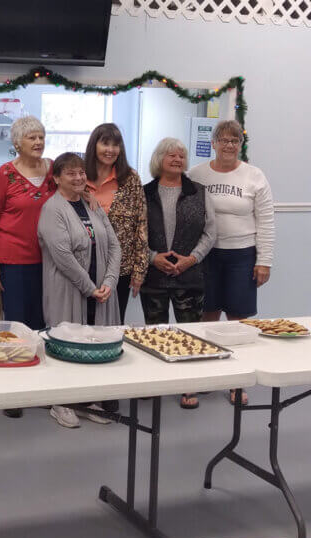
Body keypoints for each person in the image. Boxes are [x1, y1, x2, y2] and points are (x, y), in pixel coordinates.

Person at [189, 120, 275, 406]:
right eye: (223, 140)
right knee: (207, 317)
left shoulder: (254, 176)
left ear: (240, 145)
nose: (228, 145)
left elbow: (266, 220)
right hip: (207, 255)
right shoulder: (197, 174)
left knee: (239, 321)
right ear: (213, 143)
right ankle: (208, 375)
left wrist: (265, 261)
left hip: (242, 255)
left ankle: (238, 381)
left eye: (234, 140)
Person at [38, 153, 121, 428]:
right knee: (67, 342)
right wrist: (89, 287)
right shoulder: (53, 209)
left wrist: (109, 281)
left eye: (81, 173)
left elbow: (113, 245)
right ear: (57, 178)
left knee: (93, 344)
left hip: (100, 289)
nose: (78, 178)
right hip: (68, 288)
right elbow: (62, 254)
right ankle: (61, 402)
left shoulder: (92, 204)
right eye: (70, 173)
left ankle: (88, 399)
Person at [0, 115, 56, 419]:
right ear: (17, 143)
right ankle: (13, 389)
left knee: (43, 321)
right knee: (16, 324)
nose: (38, 142)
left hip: (49, 258)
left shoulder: (53, 170)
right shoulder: (6, 173)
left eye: (41, 136)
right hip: (14, 258)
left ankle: (37, 384)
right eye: (31, 138)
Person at [141, 138, 216, 409]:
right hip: (155, 275)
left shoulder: (199, 191)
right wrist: (152, 258)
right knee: (155, 331)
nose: (177, 159)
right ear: (158, 159)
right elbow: (136, 235)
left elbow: (211, 232)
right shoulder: (144, 193)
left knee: (189, 332)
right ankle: (157, 381)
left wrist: (191, 259)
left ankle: (188, 385)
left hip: (190, 274)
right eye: (170, 155)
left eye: (181, 156)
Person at [85, 123, 148, 323]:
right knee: (82, 324)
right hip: (84, 265)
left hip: (120, 267)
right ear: (94, 145)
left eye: (115, 145)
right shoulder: (79, 177)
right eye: (105, 143)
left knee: (114, 324)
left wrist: (139, 270)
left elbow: (141, 225)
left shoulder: (130, 178)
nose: (110, 150)